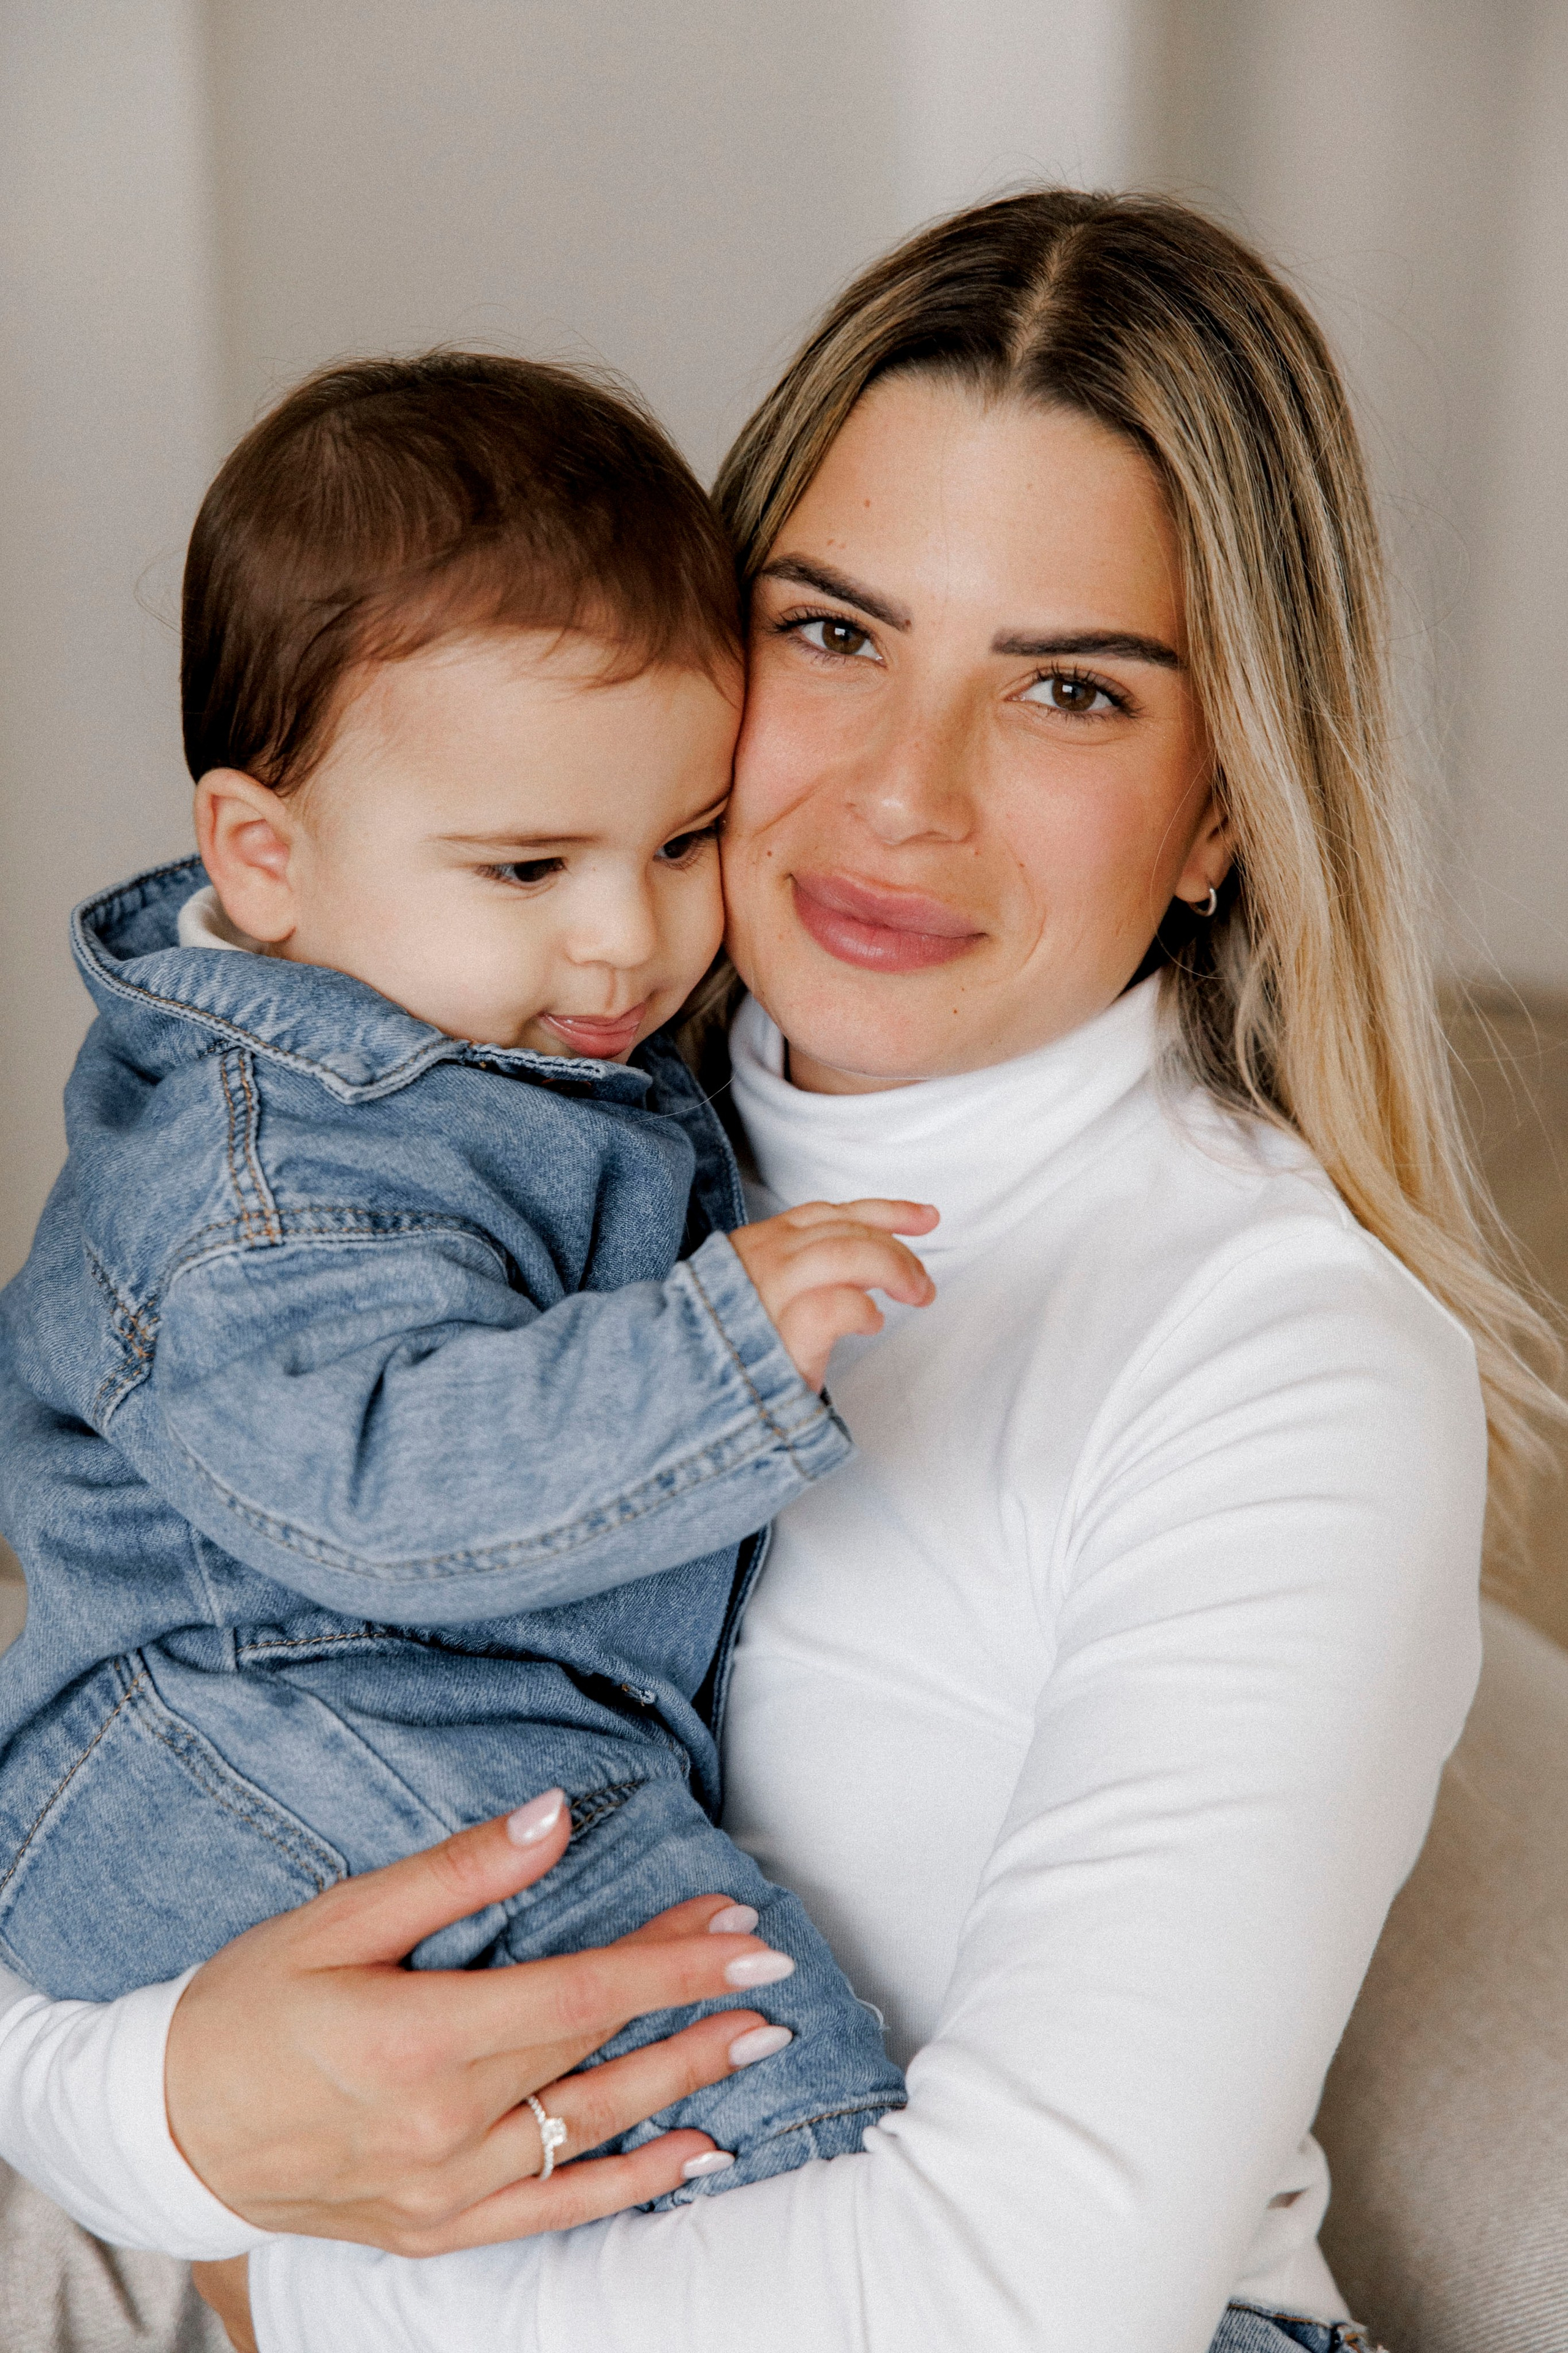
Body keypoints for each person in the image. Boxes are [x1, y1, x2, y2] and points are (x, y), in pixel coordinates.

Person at [0, 190, 1554, 2353]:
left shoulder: (1278, 1356)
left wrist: (287, 2271)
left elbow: (1035, 2292)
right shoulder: (496, 1130)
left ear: (1225, 812)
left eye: (1073, 689)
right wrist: (168, 2107)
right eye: (835, 634)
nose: (901, 795)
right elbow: (139, 1706)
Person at [0, 354, 929, 2204]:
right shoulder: (261, 1177)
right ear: (262, 858)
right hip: (225, 1735)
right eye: (528, 864)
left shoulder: (490, 1024)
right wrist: (710, 1355)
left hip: (380, 1724)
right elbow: (377, 1483)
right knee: (714, 1994)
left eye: (680, 841)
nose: (627, 935)